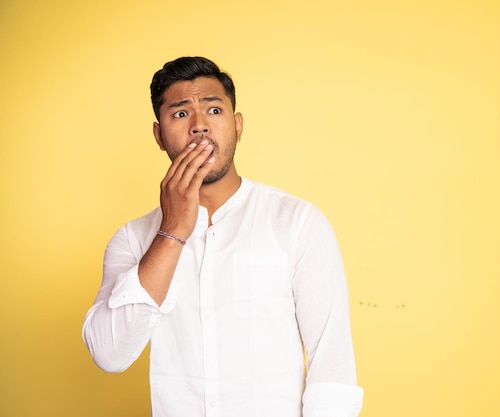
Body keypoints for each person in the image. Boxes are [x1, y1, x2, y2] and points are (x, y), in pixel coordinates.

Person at [82, 56, 363, 417]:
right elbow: (109, 354)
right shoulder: (133, 239)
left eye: (213, 110)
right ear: (158, 135)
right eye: (180, 114)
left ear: (237, 125)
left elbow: (332, 367)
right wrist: (172, 234)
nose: (199, 126)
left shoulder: (298, 223)